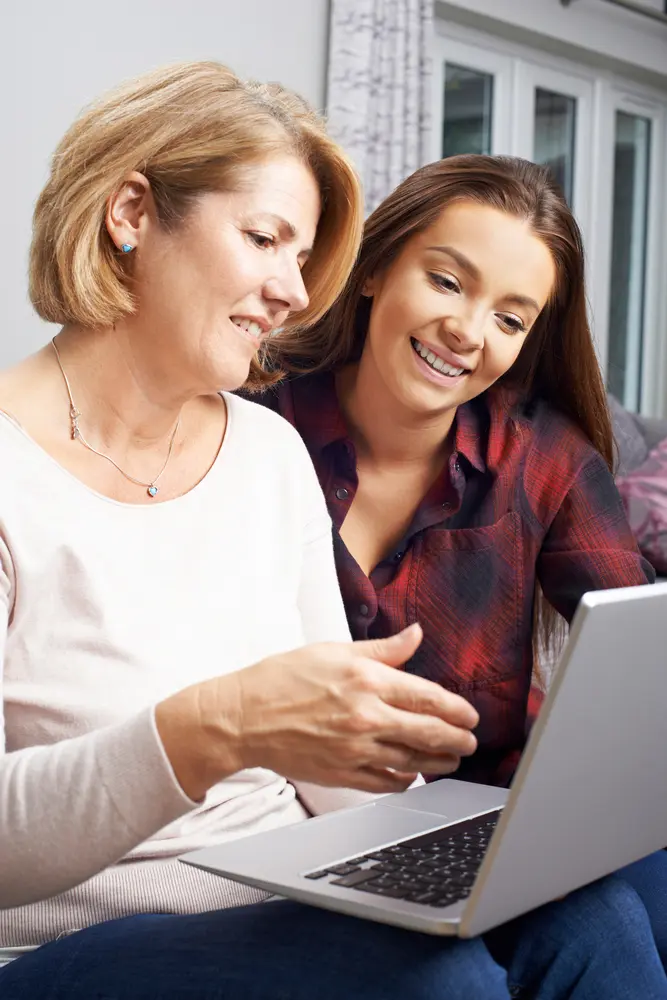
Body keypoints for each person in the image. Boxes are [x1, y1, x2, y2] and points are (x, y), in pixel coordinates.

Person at [0, 66, 664, 1000]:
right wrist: (213, 730)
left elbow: (334, 775)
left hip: (278, 887)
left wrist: (444, 841)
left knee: (591, 917)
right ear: (131, 213)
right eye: (264, 238)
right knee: (443, 984)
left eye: (302, 253)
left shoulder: (265, 451)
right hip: (74, 932)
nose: (294, 288)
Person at [253, 152, 667, 966]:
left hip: (485, 825)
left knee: (625, 912)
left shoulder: (543, 458)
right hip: (284, 832)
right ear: (374, 268)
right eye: (447, 282)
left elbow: (635, 670)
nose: (468, 333)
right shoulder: (253, 429)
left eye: (510, 319)